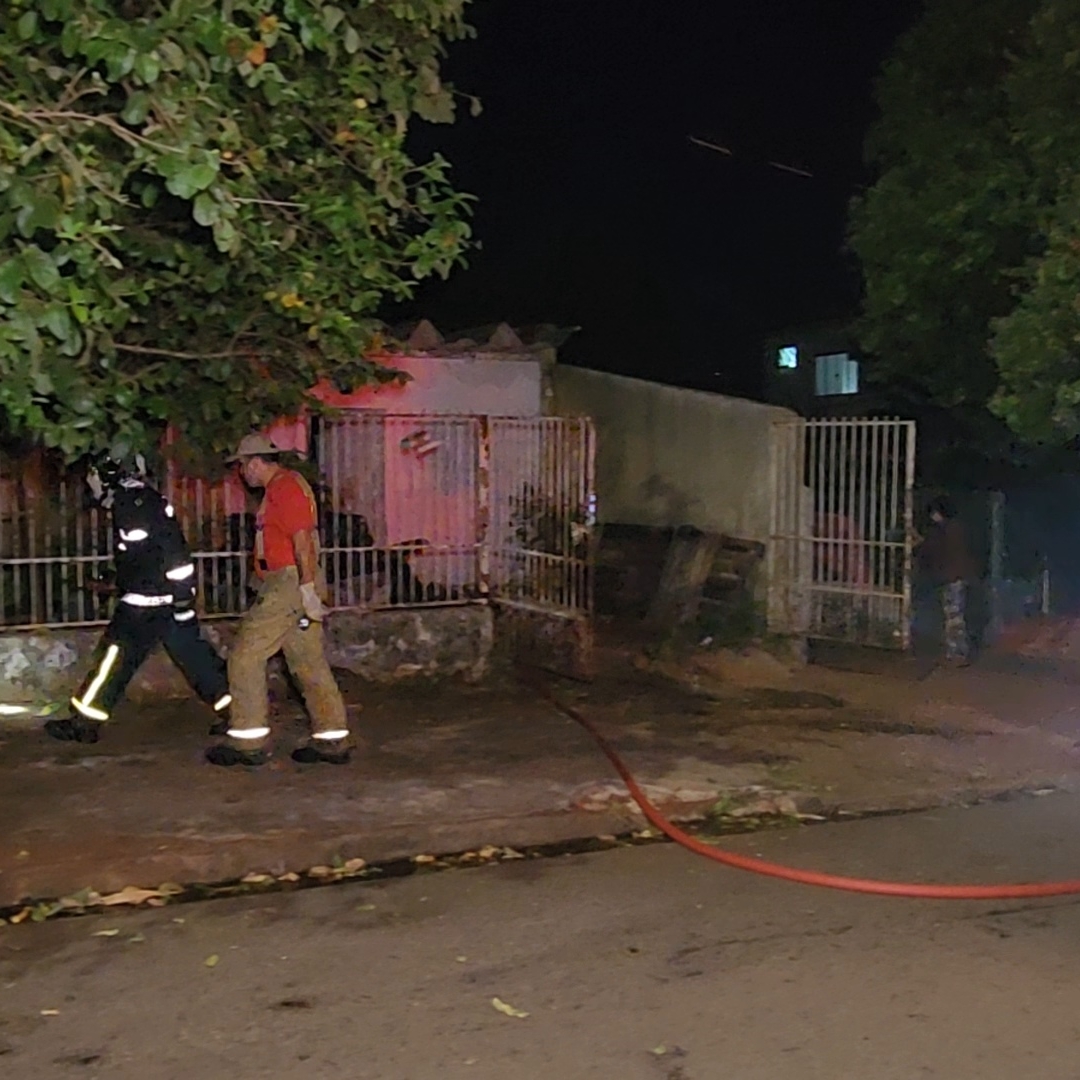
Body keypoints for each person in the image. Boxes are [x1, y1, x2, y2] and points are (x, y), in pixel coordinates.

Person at [45, 455, 232, 743]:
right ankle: (237, 713)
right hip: (163, 601)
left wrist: (180, 597)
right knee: (198, 662)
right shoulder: (141, 501)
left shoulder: (133, 505)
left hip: (146, 605)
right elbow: (145, 556)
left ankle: (84, 722)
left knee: (112, 660)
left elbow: (171, 554)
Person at [205, 433, 350, 768]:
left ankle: (248, 741)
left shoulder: (285, 488)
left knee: (244, 657)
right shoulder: (283, 488)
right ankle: (332, 739)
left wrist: (307, 587)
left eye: (242, 466)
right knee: (307, 663)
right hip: (291, 580)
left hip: (289, 582)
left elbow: (302, 540)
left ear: (255, 462)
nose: (242, 474)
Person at [917, 496, 977, 667]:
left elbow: (936, 550)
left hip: (952, 577)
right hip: (957, 576)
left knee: (953, 616)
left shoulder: (946, 530)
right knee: (955, 615)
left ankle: (957, 653)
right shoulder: (956, 528)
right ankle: (956, 652)